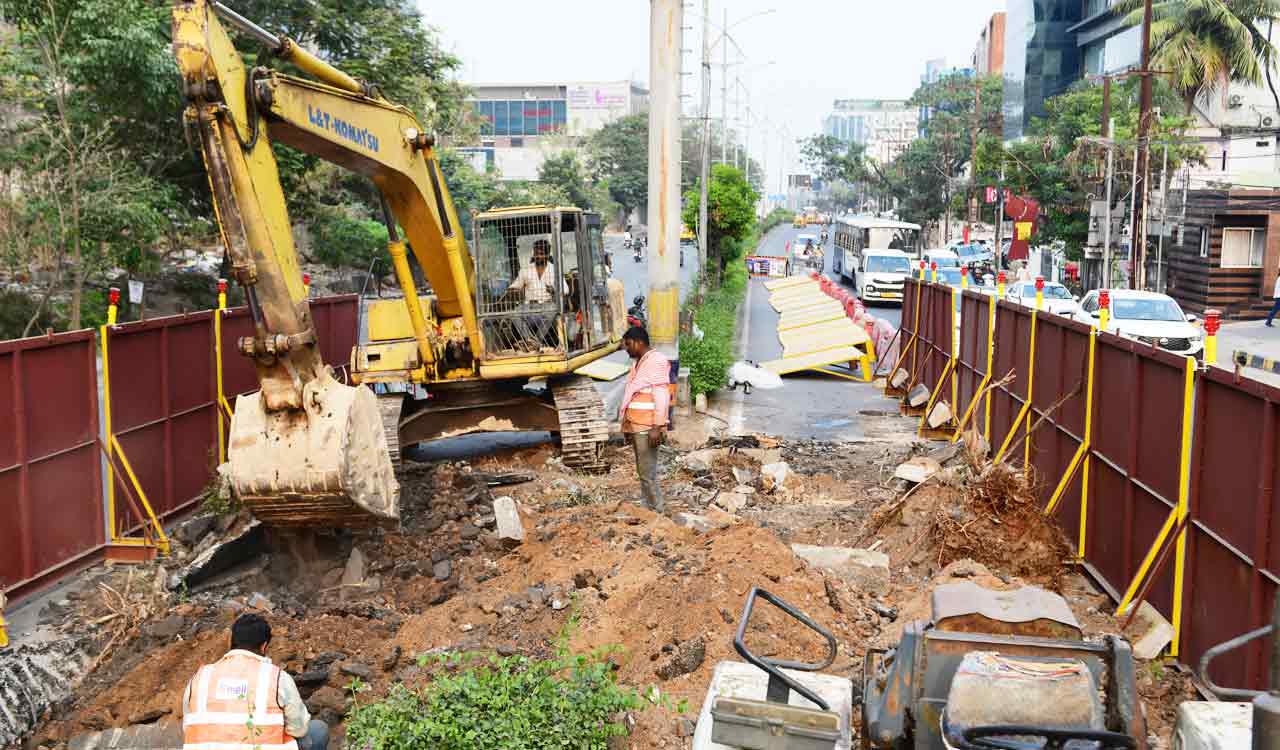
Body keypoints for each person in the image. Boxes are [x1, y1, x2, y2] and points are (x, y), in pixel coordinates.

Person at [182, 613, 327, 750]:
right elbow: (299, 729)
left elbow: (188, 726)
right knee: (319, 730)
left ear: (231, 640)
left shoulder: (200, 677)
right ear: (264, 646)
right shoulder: (276, 677)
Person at [619, 326, 669, 512]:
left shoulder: (655, 361)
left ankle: (657, 511)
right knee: (643, 471)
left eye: (629, 344)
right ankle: (648, 506)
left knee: (647, 472)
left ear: (639, 342)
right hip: (637, 424)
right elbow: (632, 396)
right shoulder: (639, 362)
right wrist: (627, 426)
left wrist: (657, 426)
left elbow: (661, 396)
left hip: (648, 426)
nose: (627, 349)